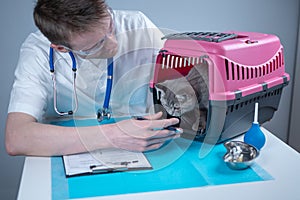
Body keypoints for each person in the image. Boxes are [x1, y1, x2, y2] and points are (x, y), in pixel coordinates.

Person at [5, 0, 181, 156]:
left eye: (110, 26)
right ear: (61, 49)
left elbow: (181, 76)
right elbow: (16, 138)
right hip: (66, 150)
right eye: (97, 44)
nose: (113, 43)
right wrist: (113, 136)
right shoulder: (38, 51)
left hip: (145, 143)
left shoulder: (137, 23)